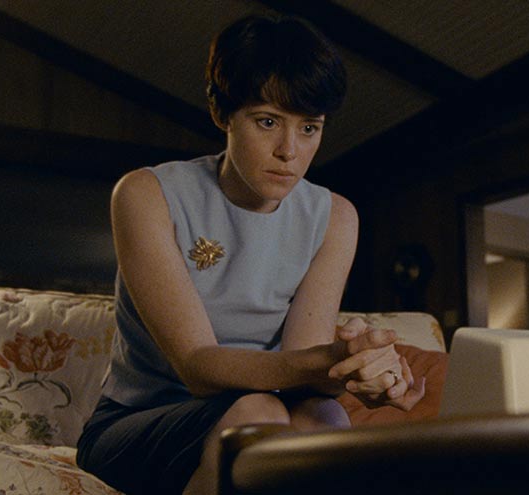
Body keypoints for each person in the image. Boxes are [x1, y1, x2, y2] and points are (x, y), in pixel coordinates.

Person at [76, 14, 424, 495]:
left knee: (324, 417)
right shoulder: (146, 194)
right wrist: (328, 360)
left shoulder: (336, 216)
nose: (289, 151)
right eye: (267, 121)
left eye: (310, 128)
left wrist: (357, 372)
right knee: (256, 416)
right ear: (223, 114)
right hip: (139, 421)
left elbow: (303, 369)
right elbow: (197, 367)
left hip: (268, 410)